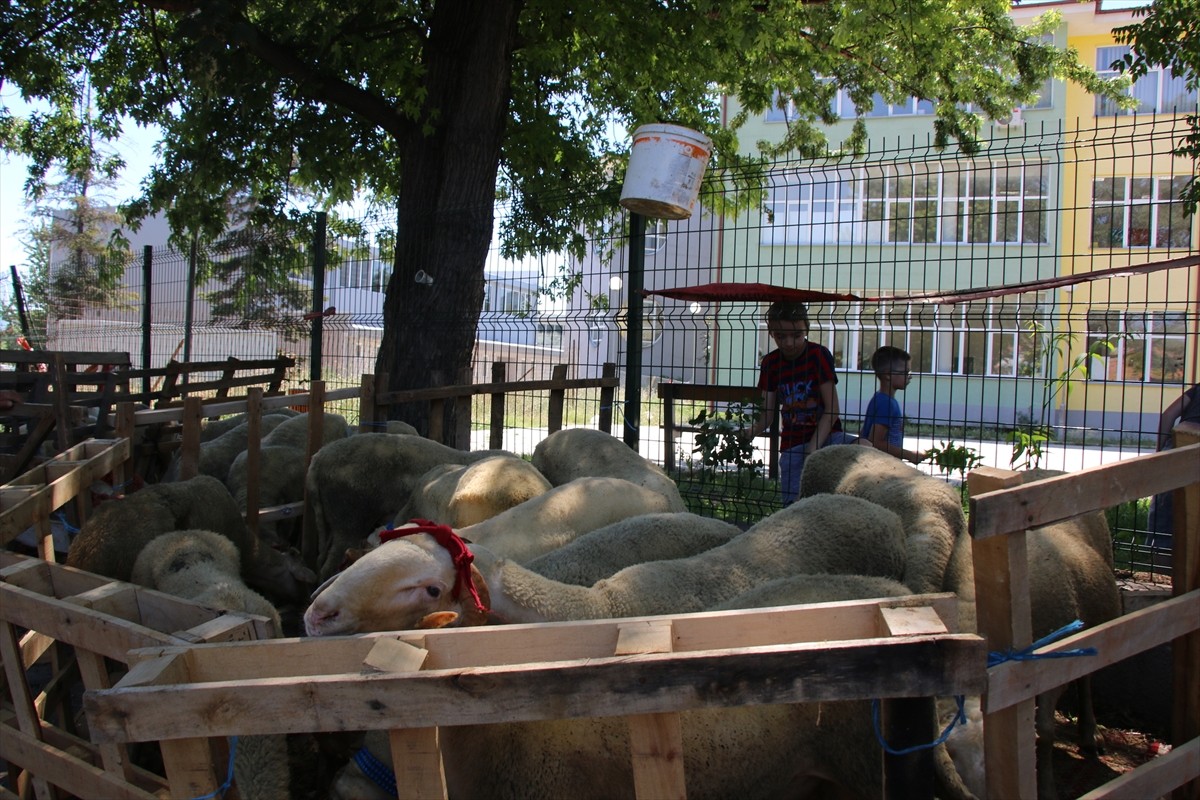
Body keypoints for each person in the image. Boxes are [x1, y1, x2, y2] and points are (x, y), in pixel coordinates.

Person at [741, 301, 853, 504]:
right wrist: (752, 430)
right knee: (794, 507)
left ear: (806, 329)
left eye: (796, 335)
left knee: (865, 447)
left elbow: (832, 410)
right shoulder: (771, 363)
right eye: (780, 336)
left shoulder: (818, 355)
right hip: (793, 444)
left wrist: (813, 447)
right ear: (771, 332)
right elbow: (767, 414)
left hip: (828, 437)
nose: (789, 343)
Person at [1146, 382, 1200, 559]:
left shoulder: (1198, 389)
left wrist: (1160, 451)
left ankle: (1159, 555)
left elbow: (1168, 415)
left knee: (1165, 499)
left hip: (1179, 444)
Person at [858, 345, 927, 465]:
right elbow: (875, 442)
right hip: (882, 466)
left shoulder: (880, 398)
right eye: (905, 372)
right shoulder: (886, 404)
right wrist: (909, 455)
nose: (909, 376)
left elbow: (864, 432)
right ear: (888, 375)